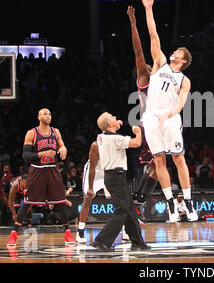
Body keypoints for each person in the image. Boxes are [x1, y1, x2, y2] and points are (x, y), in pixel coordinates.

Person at [140, 0, 198, 222]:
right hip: (151, 117)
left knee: (179, 159)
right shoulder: (160, 63)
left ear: (183, 60)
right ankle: (172, 205)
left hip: (171, 118)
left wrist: (169, 113)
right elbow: (153, 34)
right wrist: (148, 8)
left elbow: (181, 104)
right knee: (159, 161)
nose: (174, 52)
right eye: (175, 50)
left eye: (178, 52)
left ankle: (189, 204)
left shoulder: (184, 80)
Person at [7, 108, 76, 246]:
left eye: (50, 114)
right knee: (27, 202)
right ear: (39, 117)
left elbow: (62, 145)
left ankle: (67, 233)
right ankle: (14, 233)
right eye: (45, 114)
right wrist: (41, 154)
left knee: (60, 201)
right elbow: (25, 156)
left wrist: (63, 149)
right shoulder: (32, 133)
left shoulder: (55, 132)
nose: (48, 116)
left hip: (52, 170)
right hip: (37, 170)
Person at [91, 112, 150, 252]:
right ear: (110, 124)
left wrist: (115, 126)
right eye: (114, 118)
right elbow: (137, 143)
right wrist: (138, 132)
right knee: (122, 210)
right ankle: (101, 241)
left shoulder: (101, 137)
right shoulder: (115, 139)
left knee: (130, 211)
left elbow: (112, 134)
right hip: (116, 176)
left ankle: (137, 243)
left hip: (112, 176)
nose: (117, 119)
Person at [126, 5, 159, 218]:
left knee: (156, 169)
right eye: (144, 66)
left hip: (158, 124)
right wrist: (133, 23)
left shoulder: (157, 77)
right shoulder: (144, 79)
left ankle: (137, 200)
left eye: (148, 65)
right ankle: (137, 201)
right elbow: (139, 51)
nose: (147, 65)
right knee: (157, 167)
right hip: (149, 125)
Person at [76, 141, 112, 243]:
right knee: (87, 200)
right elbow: (92, 167)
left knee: (118, 200)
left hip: (107, 171)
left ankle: (126, 230)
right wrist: (91, 188)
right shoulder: (97, 145)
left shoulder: (117, 142)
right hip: (93, 171)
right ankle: (80, 232)